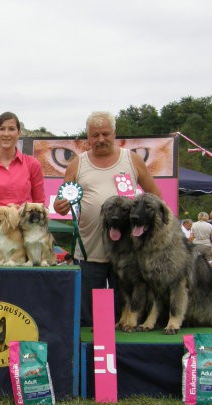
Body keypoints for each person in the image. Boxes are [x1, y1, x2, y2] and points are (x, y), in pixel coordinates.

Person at [53, 111, 161, 328]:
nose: (100, 139)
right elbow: (60, 202)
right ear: (87, 137)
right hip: (88, 252)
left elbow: (155, 197)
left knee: (124, 313)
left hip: (127, 253)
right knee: (86, 316)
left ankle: (119, 357)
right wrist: (60, 206)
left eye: (105, 134)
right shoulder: (77, 164)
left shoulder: (132, 160)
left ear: (115, 134)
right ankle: (87, 356)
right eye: (95, 135)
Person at [0, 112, 45, 249]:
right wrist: (9, 211)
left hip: (28, 236)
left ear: (19, 133)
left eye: (11, 129)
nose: (6, 133)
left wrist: (18, 213)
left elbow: (40, 204)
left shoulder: (32, 164)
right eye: (2, 129)